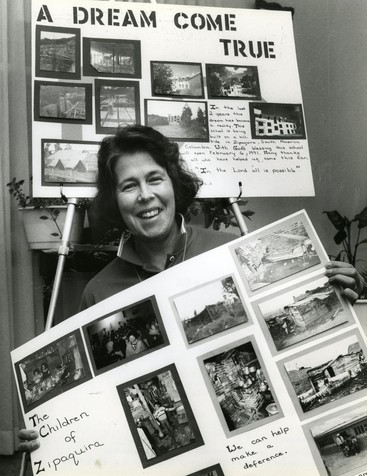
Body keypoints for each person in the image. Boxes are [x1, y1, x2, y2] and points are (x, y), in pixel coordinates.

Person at [18, 124, 365, 452]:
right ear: (114, 200)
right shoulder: (98, 291)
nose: (145, 195)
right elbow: (94, 400)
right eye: (128, 186)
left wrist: (344, 287)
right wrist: (54, 434)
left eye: (155, 179)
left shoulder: (230, 251)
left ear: (174, 185)